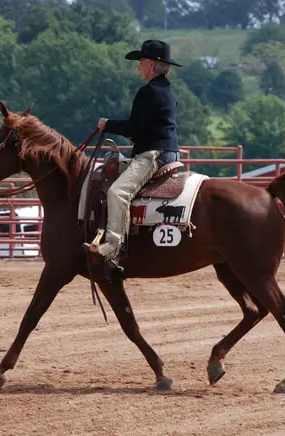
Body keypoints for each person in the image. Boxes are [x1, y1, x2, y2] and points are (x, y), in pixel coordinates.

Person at [91, 39, 182, 266]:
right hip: (167, 150)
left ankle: (113, 246)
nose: (138, 66)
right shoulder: (168, 91)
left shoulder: (148, 91)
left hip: (153, 154)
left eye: (140, 62)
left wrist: (107, 124)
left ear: (151, 65)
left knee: (117, 192)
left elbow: (134, 128)